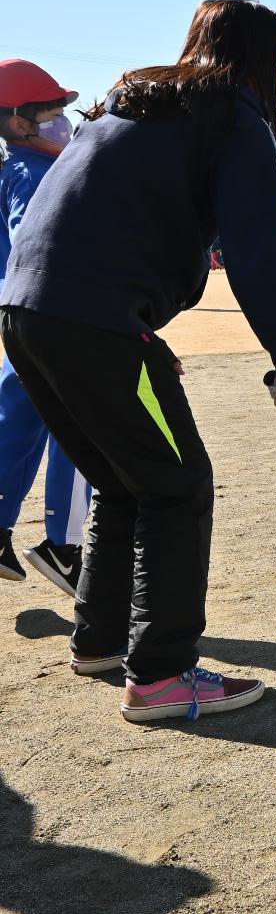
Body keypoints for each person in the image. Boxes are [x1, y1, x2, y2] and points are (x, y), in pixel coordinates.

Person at [0, 0, 276, 719]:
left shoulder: (133, 104)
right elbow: (254, 249)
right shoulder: (233, 115)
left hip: (29, 315)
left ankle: (101, 641)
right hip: (92, 320)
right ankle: (162, 675)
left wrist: (142, 329)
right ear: (264, 61)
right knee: (179, 486)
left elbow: (84, 222)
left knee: (123, 481)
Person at [0, 60, 89, 597]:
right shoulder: (35, 174)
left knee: (18, 421)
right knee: (79, 425)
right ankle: (65, 546)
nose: (64, 122)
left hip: (19, 318)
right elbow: (39, 243)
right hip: (55, 316)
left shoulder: (17, 169)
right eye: (53, 112)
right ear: (18, 122)